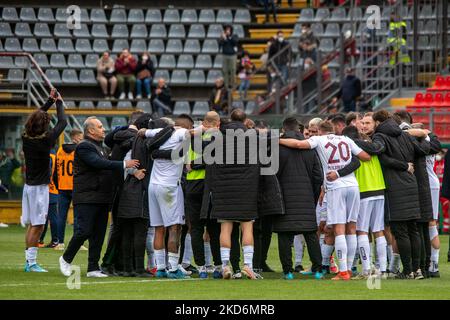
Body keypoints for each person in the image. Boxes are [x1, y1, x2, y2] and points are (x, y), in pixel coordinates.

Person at [279, 120, 370, 280]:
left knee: (338, 229)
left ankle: (342, 272)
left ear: (320, 131)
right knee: (352, 228)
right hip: (353, 185)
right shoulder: (346, 139)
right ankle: (349, 269)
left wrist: (277, 140)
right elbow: (365, 157)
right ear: (333, 130)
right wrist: (343, 168)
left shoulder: (318, 140)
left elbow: (298, 145)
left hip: (336, 187)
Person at [200, 109, 283, 280]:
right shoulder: (253, 137)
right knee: (247, 228)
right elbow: (274, 138)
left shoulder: (218, 137)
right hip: (247, 189)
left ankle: (225, 266)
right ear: (245, 121)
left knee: (225, 228)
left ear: (230, 120)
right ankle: (248, 266)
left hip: (223, 190)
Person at [59, 117, 139, 278]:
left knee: (98, 234)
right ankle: (66, 259)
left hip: (102, 197)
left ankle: (93, 268)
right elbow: (97, 163)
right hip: (86, 196)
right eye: (100, 127)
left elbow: (107, 161)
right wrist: (124, 164)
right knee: (84, 231)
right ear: (90, 131)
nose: (104, 129)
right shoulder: (84, 146)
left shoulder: (100, 147)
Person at [371, 110, 430, 279]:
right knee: (413, 229)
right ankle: (417, 269)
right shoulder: (405, 135)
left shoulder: (380, 137)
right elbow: (422, 149)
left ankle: (408, 270)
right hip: (411, 184)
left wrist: (403, 165)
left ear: (377, 122)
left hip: (395, 186)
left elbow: (383, 159)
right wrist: (425, 137)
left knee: (401, 231)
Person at [138, 117, 191, 279]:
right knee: (175, 228)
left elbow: (141, 132)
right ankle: (174, 269)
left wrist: (157, 152)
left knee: (158, 229)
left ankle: (160, 268)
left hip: (153, 185)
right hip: (169, 187)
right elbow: (188, 137)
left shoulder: (157, 134)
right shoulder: (181, 132)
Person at [22, 88, 67, 272]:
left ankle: (29, 261)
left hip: (29, 186)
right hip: (40, 188)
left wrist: (49, 100)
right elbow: (63, 122)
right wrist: (59, 103)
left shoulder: (26, 136)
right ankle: (31, 263)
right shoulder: (45, 140)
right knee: (38, 225)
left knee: (33, 224)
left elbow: (38, 116)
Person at [275, 117, 324, 280]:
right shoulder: (309, 148)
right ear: (299, 129)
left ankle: (288, 272)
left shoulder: (277, 147)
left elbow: (272, 174)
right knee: (310, 234)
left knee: (284, 235)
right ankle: (318, 270)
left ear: (284, 129)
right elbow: (318, 176)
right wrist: (313, 195)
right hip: (306, 197)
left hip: (283, 197)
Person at [341, 120, 388, 279]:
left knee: (362, 231)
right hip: (379, 189)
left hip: (364, 190)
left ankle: (366, 269)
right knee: (378, 230)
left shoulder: (353, 149)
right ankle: (383, 269)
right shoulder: (371, 146)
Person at [184, 112, 223, 279]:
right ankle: (218, 266)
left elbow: (187, 165)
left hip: (192, 186)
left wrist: (193, 164)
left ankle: (200, 267)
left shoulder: (191, 138)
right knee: (214, 229)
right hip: (212, 186)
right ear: (218, 123)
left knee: (196, 229)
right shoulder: (219, 139)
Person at [54, 129, 84, 251]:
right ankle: (79, 244)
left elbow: (55, 171)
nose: (82, 140)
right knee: (78, 216)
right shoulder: (79, 150)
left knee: (61, 216)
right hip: (76, 186)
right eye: (81, 138)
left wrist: (58, 185)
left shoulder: (60, 150)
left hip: (62, 187)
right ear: (76, 138)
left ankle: (60, 242)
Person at [38, 151, 59, 248]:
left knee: (47, 216)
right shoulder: (56, 156)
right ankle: (46, 240)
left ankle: (54, 240)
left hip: (48, 189)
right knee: (49, 216)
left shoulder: (48, 156)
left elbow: (48, 173)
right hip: (54, 189)